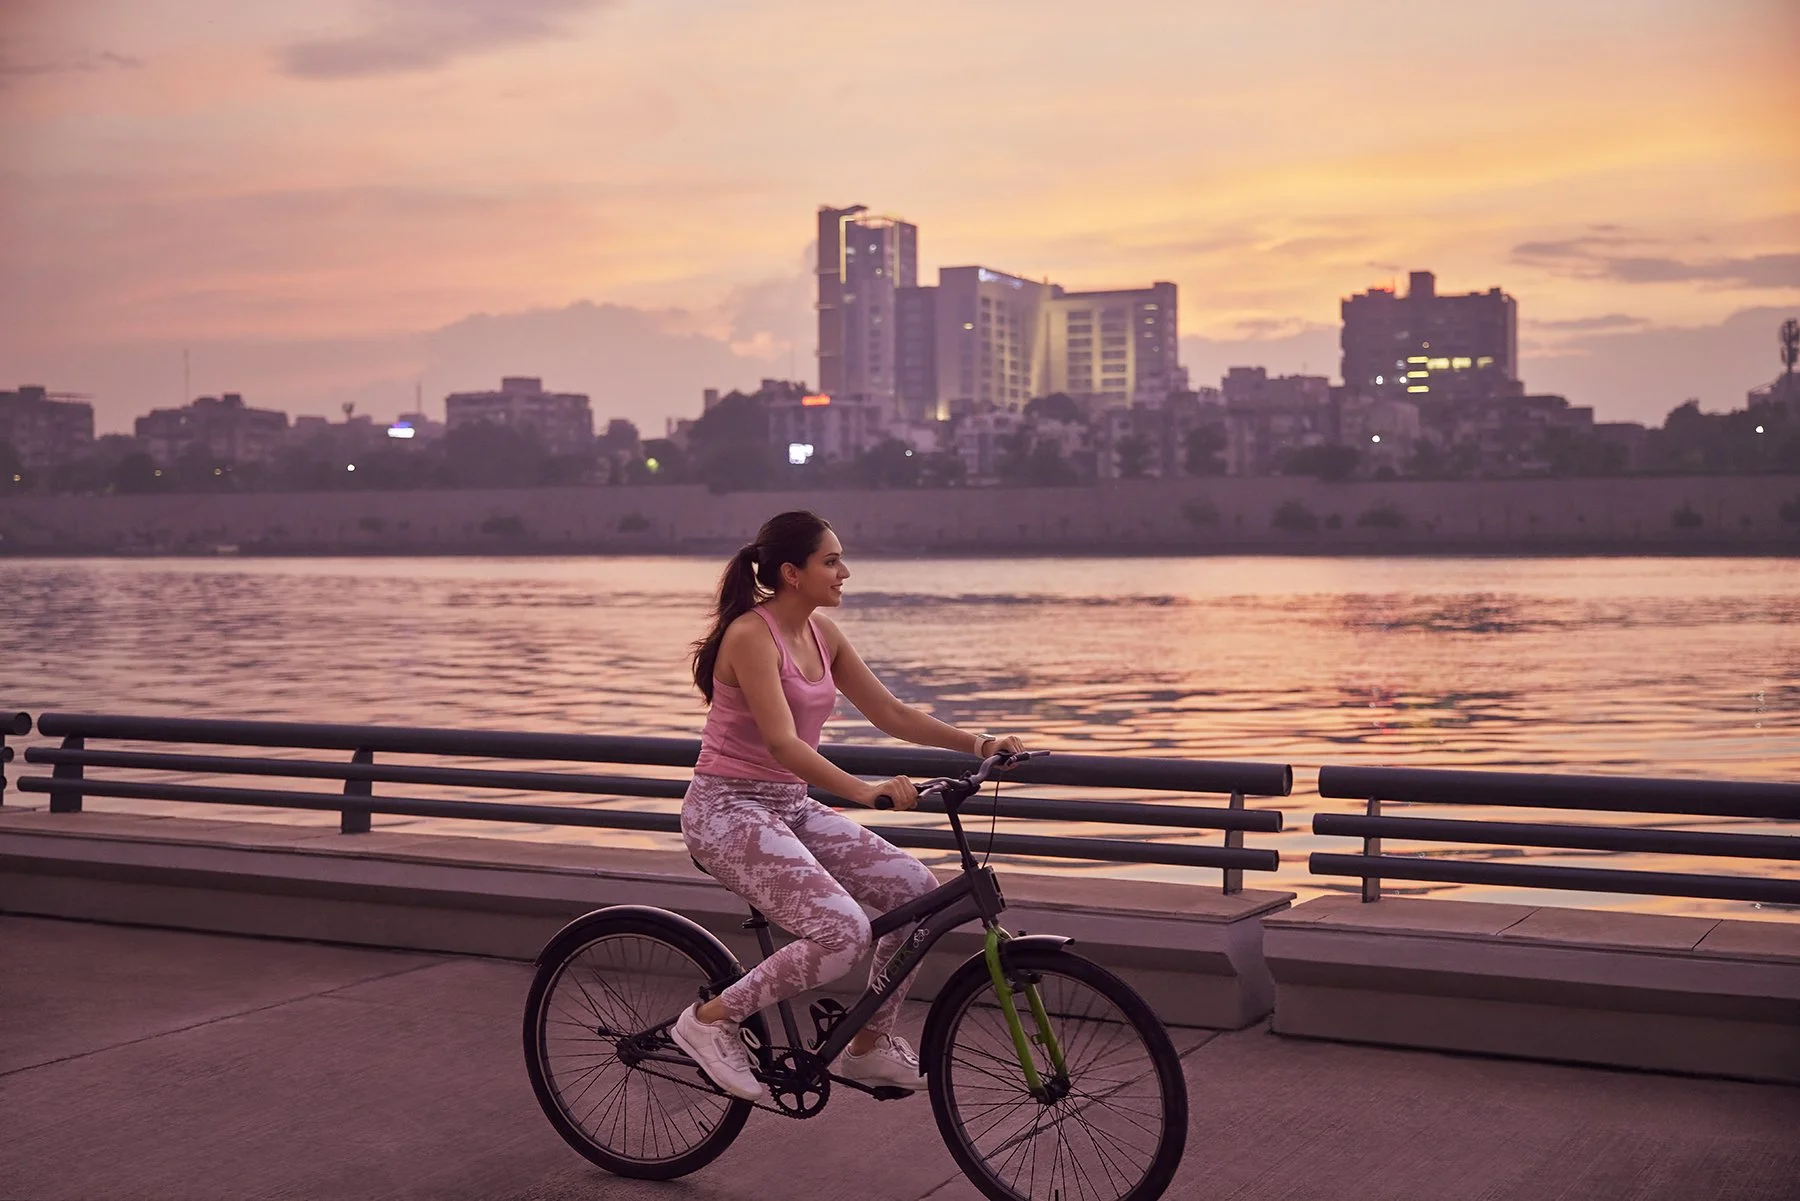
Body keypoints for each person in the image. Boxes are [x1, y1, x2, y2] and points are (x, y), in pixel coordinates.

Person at [672, 509, 1026, 1102]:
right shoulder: (749, 636)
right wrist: (861, 791)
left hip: (789, 806)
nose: (844, 572)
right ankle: (709, 1022)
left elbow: (892, 714)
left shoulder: (822, 634)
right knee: (841, 933)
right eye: (831, 561)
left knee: (915, 893)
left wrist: (980, 744)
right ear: (791, 572)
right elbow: (782, 741)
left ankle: (867, 1046)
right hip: (725, 812)